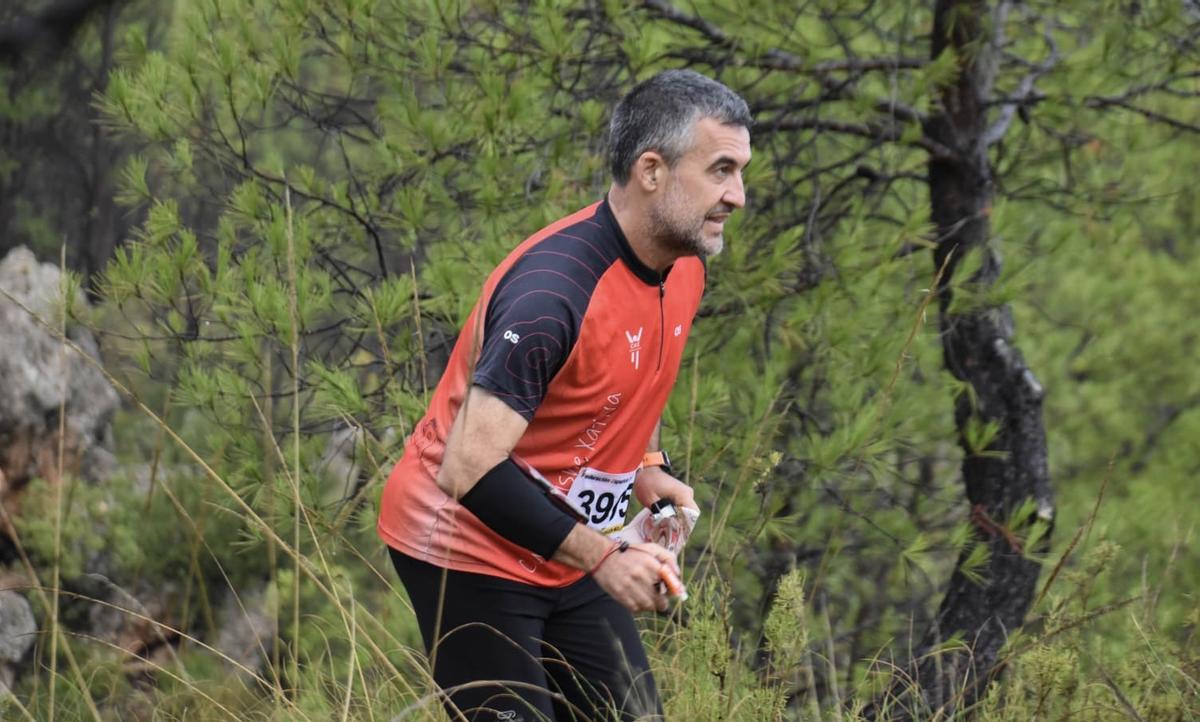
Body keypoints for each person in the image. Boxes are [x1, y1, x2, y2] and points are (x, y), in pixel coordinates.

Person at [377, 69, 752, 722]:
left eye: (741, 172)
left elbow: (632, 378)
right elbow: (468, 466)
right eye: (721, 170)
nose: (738, 196)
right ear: (652, 170)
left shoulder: (684, 266)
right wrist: (605, 557)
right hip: (466, 547)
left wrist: (648, 467)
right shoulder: (553, 294)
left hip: (563, 545)